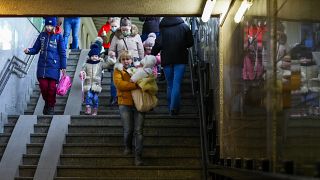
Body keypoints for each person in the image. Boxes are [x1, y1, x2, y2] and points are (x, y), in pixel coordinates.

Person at [151, 17, 194, 116]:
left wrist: (152, 53)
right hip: (180, 59)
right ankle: (174, 108)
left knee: (170, 84)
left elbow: (158, 44)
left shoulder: (163, 28)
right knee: (177, 83)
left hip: (166, 59)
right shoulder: (185, 27)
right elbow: (190, 42)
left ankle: (171, 107)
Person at [24, 17, 67, 115]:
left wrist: (63, 67)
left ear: (54, 26)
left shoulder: (59, 37)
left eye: (50, 26)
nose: (48, 27)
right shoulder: (42, 36)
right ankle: (47, 102)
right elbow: (35, 49)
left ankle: (50, 106)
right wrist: (29, 51)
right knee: (43, 87)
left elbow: (62, 53)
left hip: (54, 67)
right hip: (42, 67)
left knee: (52, 88)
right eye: (47, 25)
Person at [113, 50, 145, 166]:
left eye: (128, 59)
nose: (126, 61)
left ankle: (138, 157)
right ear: (120, 60)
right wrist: (135, 85)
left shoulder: (138, 68)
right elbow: (120, 85)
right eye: (123, 59)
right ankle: (127, 146)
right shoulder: (118, 70)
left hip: (139, 103)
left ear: (132, 59)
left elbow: (145, 81)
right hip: (124, 103)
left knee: (139, 131)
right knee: (128, 130)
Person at [109, 17, 144, 105]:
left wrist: (142, 61)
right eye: (122, 29)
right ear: (120, 27)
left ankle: (138, 98)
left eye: (126, 29)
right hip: (121, 61)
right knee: (116, 80)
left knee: (135, 80)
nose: (124, 31)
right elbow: (111, 49)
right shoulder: (116, 36)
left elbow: (141, 50)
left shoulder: (136, 36)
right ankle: (115, 97)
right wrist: (112, 53)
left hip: (135, 61)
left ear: (130, 27)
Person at [79, 44, 115, 115]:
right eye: (92, 56)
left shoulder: (100, 64)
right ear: (90, 57)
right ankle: (88, 108)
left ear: (98, 57)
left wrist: (111, 58)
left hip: (96, 84)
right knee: (89, 96)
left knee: (95, 98)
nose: (94, 58)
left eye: (96, 56)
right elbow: (82, 71)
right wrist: (82, 74)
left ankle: (95, 109)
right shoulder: (86, 64)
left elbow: (108, 64)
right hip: (88, 83)